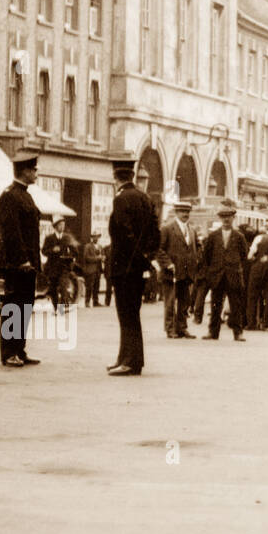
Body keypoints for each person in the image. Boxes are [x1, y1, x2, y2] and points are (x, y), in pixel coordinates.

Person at [107, 155, 161, 374]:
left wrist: (134, 257)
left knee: (126, 314)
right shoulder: (145, 198)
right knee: (133, 313)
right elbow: (155, 234)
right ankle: (127, 358)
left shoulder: (120, 199)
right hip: (138, 267)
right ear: (132, 175)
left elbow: (123, 235)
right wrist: (146, 258)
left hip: (123, 266)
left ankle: (129, 361)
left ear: (115, 177)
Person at [0, 149, 42, 368]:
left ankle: (19, 349)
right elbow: (11, 232)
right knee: (12, 307)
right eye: (33, 169)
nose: (36, 172)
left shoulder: (25, 195)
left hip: (27, 264)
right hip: (16, 264)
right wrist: (22, 259)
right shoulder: (9, 196)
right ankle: (8, 352)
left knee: (25, 306)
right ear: (24, 171)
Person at [199, 205, 249, 342]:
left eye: (229, 217)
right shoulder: (213, 236)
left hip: (233, 275)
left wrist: (237, 268)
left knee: (236, 306)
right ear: (220, 219)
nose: (226, 219)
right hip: (217, 275)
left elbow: (244, 256)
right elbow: (207, 256)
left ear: (233, 218)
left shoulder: (239, 236)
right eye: (223, 217)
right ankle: (213, 332)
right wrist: (211, 271)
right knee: (215, 305)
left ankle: (238, 333)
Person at [156, 200, 199, 339]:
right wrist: (167, 263)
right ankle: (170, 329)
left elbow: (197, 247)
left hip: (187, 272)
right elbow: (158, 249)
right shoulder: (167, 228)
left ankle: (182, 328)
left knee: (184, 302)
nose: (185, 214)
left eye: (187, 212)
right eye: (182, 211)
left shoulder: (191, 230)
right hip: (171, 272)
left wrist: (196, 259)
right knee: (170, 302)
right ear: (176, 212)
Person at [246, 222, 268, 330]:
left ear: (266, 229)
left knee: (252, 297)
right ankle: (266, 324)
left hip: (257, 269)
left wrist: (254, 260)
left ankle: (251, 323)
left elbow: (250, 255)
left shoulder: (259, 238)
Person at [40, 218, 76, 312]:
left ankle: (63, 307)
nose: (62, 227)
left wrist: (71, 253)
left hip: (64, 266)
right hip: (52, 267)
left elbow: (74, 250)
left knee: (63, 285)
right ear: (55, 227)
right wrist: (52, 250)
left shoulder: (67, 238)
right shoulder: (49, 238)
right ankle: (56, 307)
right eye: (60, 225)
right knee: (53, 288)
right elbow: (43, 251)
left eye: (63, 225)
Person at [81, 231, 103, 308]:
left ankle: (95, 302)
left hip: (98, 270)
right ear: (92, 238)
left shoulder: (100, 246)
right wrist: (97, 258)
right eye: (94, 236)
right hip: (90, 270)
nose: (96, 238)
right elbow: (86, 257)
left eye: (97, 236)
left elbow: (102, 256)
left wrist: (103, 258)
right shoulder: (88, 246)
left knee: (97, 286)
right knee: (89, 286)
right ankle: (87, 302)